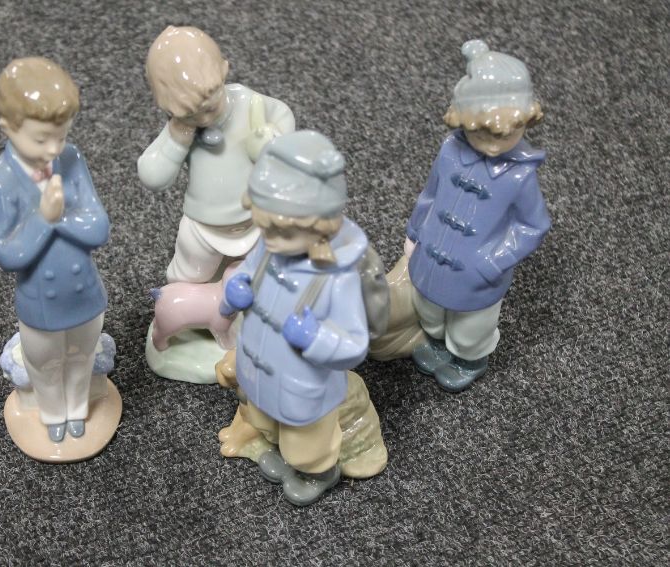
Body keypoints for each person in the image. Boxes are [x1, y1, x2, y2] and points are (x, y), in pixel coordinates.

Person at [220, 130, 369, 506]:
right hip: (258, 367)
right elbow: (247, 271)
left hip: (304, 385)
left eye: (283, 232)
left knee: (307, 445)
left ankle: (319, 472)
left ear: (320, 227)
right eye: (264, 226)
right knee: (265, 419)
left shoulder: (337, 277)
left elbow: (355, 343)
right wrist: (235, 288)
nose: (269, 238)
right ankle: (278, 449)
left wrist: (316, 338)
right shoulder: (269, 247)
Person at [404, 40, 551, 392]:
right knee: (428, 309)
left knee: (471, 327)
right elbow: (431, 194)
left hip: (477, 271)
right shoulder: (449, 151)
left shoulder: (520, 176)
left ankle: (468, 359)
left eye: (506, 132)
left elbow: (533, 226)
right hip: (431, 252)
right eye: (480, 132)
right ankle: (436, 343)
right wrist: (414, 232)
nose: (493, 143)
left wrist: (494, 261)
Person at [0, 57, 110, 442]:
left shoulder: (70, 159)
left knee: (82, 355)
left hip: (84, 290)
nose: (53, 149)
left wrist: (60, 218)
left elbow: (98, 227)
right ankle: (53, 413)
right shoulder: (0, 178)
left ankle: (78, 408)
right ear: (9, 128)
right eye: (41, 140)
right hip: (40, 298)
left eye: (62, 136)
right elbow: (8, 253)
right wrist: (44, 218)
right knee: (45, 361)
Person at [137, 25, 295, 284]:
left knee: (272, 269)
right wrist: (177, 141)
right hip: (203, 227)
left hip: (258, 218)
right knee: (188, 275)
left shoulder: (248, 103)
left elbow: (284, 116)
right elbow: (152, 176)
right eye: (192, 114)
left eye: (210, 108)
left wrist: (271, 140)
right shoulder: (180, 128)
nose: (204, 119)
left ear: (224, 71)